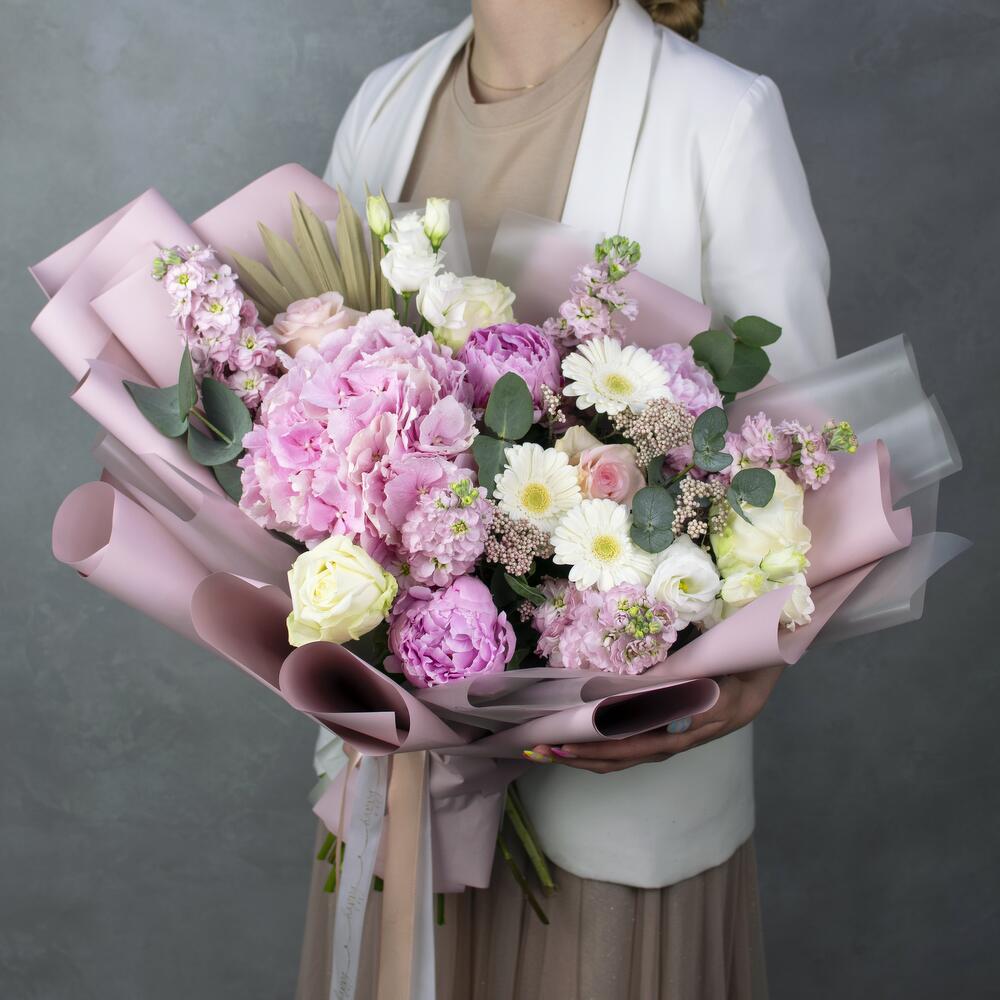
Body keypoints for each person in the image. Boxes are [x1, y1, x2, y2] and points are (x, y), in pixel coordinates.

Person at [298, 2, 835, 997]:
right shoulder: (386, 105)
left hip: (611, 796)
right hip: (403, 791)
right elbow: (313, 402)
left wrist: (762, 651)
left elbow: (801, 453)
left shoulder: (721, 118)